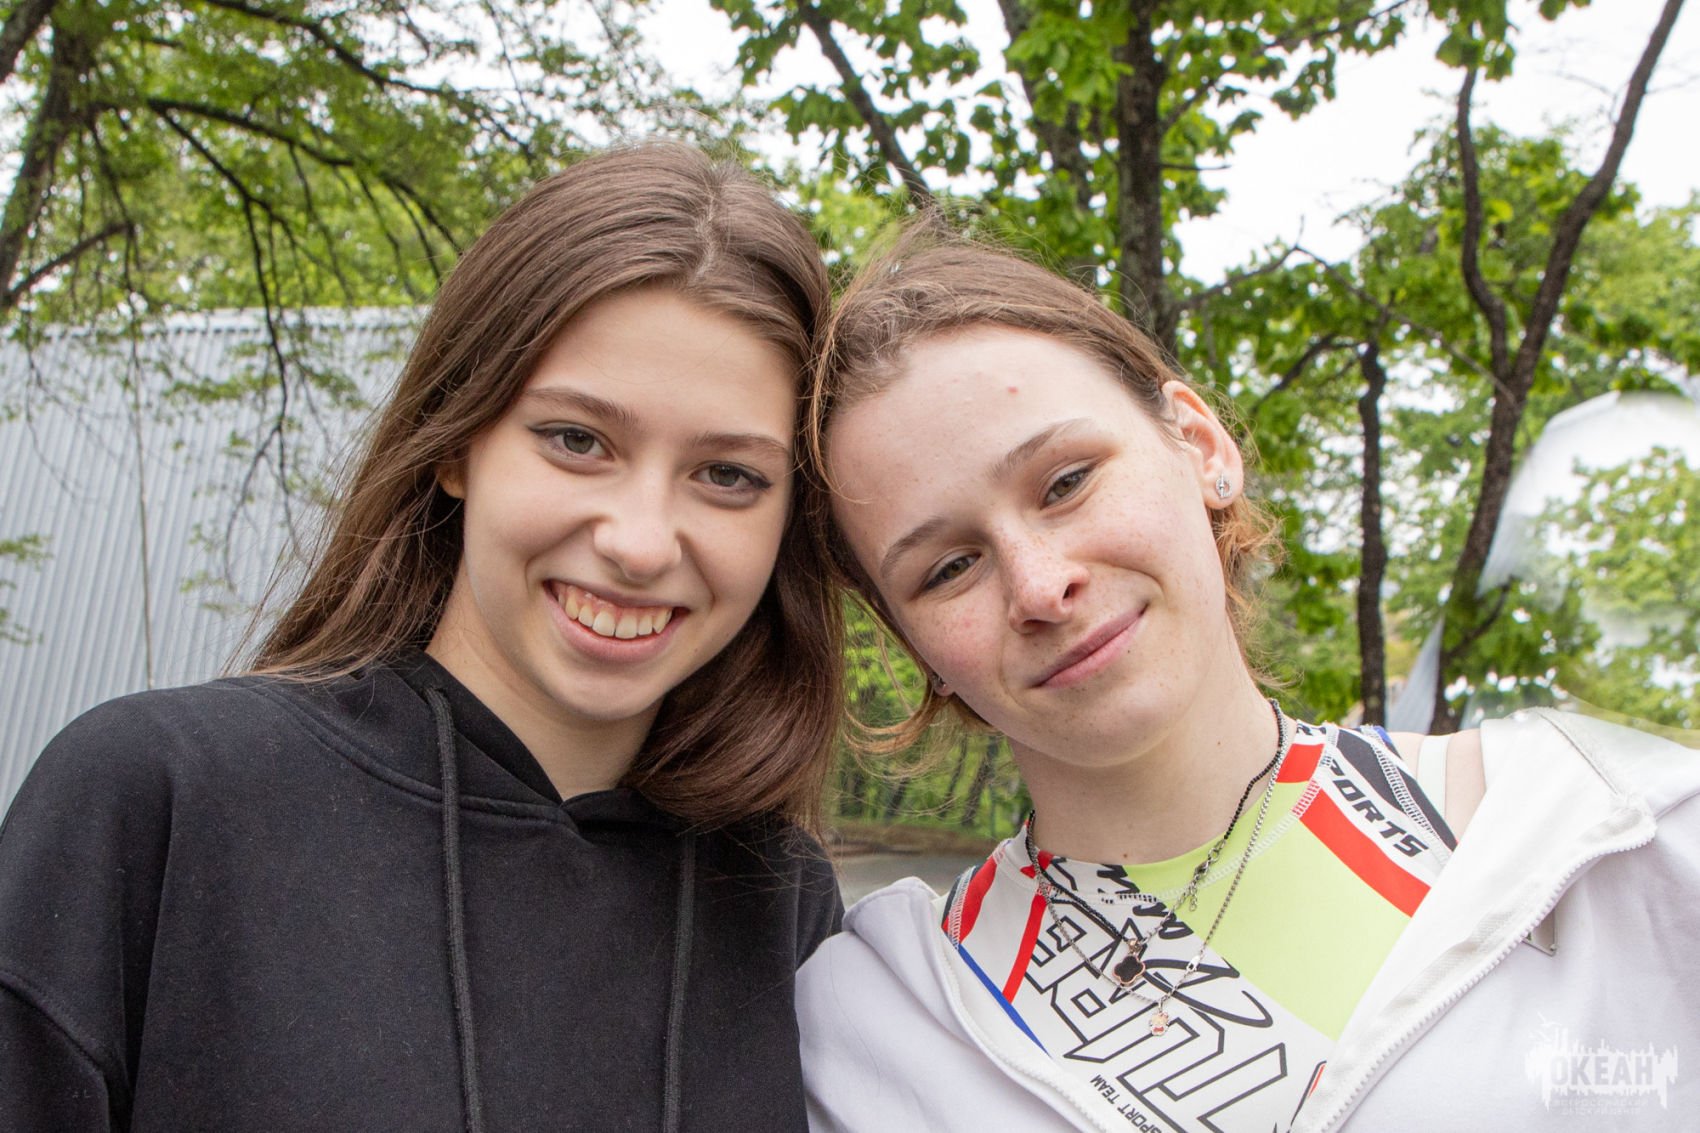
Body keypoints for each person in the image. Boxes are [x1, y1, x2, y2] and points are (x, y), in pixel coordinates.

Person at [0, 143, 845, 1132]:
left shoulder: (778, 897)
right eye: (576, 439)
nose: (640, 542)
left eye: (728, 475)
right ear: (456, 442)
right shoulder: (161, 797)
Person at [793, 232, 1700, 1132]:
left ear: (1201, 445)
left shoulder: (1618, 840)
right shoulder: (879, 1028)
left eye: (1066, 481)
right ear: (913, 645)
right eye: (949, 568)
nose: (1039, 585)